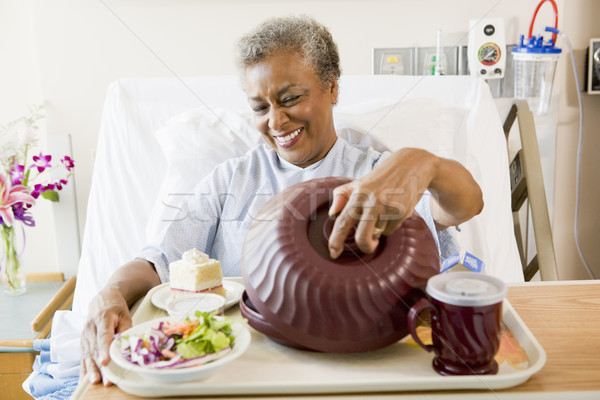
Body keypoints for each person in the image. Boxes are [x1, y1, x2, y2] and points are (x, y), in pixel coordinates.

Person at [81, 15, 483, 384]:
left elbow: (463, 205)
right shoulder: (230, 179)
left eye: (290, 99)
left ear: (332, 87)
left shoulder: (381, 173)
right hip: (248, 366)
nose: (275, 121)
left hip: (363, 366)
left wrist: (426, 165)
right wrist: (111, 292)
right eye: (260, 107)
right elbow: (157, 262)